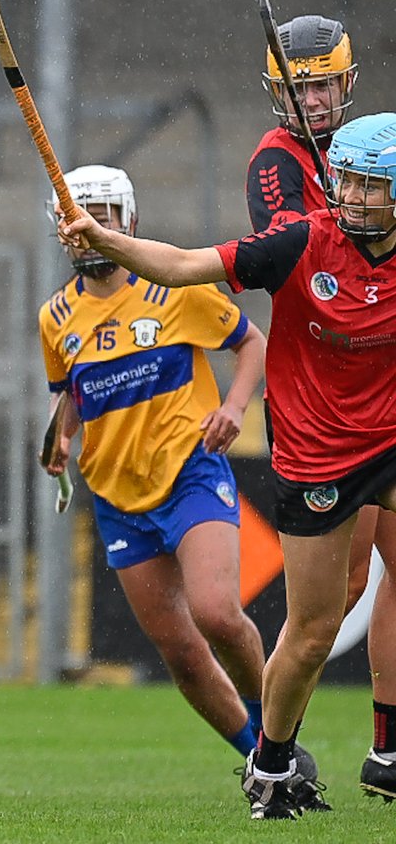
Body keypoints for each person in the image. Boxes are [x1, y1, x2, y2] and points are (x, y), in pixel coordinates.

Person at [60, 112, 396, 819]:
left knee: (246, 611)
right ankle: (271, 761)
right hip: (317, 453)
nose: (352, 197)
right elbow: (185, 266)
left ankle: (385, 751)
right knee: (309, 632)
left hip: (383, 440)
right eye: (350, 183)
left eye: (370, 187)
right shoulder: (301, 239)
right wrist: (105, 239)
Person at [40, 165, 276, 772]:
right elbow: (72, 393)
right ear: (62, 231)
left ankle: (279, 736)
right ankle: (261, 759)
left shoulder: (172, 287)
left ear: (130, 222)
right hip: (119, 497)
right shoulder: (55, 319)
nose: (92, 229)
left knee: (218, 614)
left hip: (191, 473)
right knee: (181, 652)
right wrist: (61, 436)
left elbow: (251, 343)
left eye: (106, 216)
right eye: (78, 218)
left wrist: (232, 406)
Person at [247, 16, 396, 801]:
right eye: (298, 86)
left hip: (385, 393)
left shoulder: (378, 149)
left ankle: (388, 751)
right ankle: (276, 751)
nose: (311, 100)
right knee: (333, 595)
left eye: (322, 84)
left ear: (347, 81)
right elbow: (283, 250)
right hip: (322, 400)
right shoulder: (277, 163)